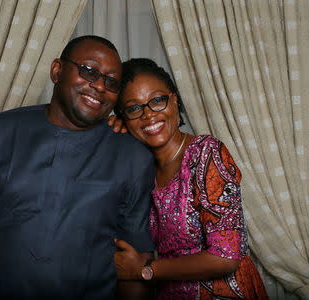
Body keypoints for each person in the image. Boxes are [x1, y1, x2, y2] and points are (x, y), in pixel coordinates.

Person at [0, 36, 155, 299]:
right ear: (57, 71)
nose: (99, 86)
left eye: (111, 82)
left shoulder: (133, 156)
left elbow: (135, 258)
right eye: (89, 71)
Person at [110, 58, 268, 299]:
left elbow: (225, 258)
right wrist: (111, 131)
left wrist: (143, 271)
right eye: (134, 108)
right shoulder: (141, 168)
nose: (148, 114)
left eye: (157, 100)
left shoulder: (206, 153)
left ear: (174, 100)